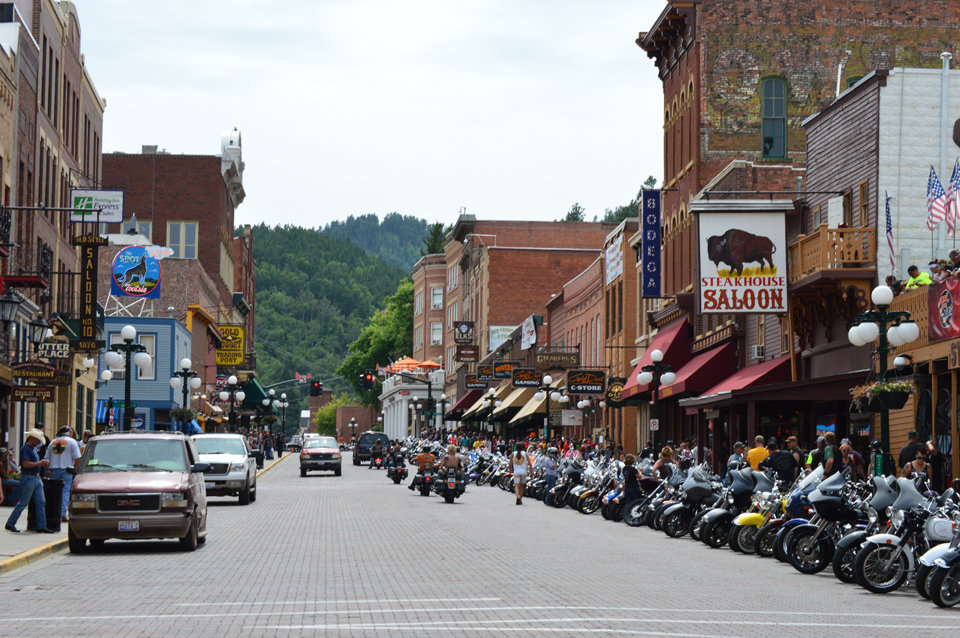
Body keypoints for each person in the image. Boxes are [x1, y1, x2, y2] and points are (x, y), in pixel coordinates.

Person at [5, 429, 54, 533]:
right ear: (32, 439)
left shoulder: (32, 449)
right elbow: (26, 464)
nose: (38, 442)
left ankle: (41, 525)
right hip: (29, 477)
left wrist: (42, 465)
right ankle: (11, 523)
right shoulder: (26, 449)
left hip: (35, 477)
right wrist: (40, 463)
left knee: (41, 502)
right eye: (37, 440)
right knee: (24, 502)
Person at [45, 426, 82, 521]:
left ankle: (53, 512)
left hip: (53, 470)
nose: (72, 433)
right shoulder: (72, 442)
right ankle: (62, 513)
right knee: (65, 492)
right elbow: (78, 458)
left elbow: (46, 459)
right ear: (68, 433)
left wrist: (47, 471)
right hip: (67, 470)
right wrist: (78, 471)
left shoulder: (52, 442)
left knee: (54, 493)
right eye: (70, 432)